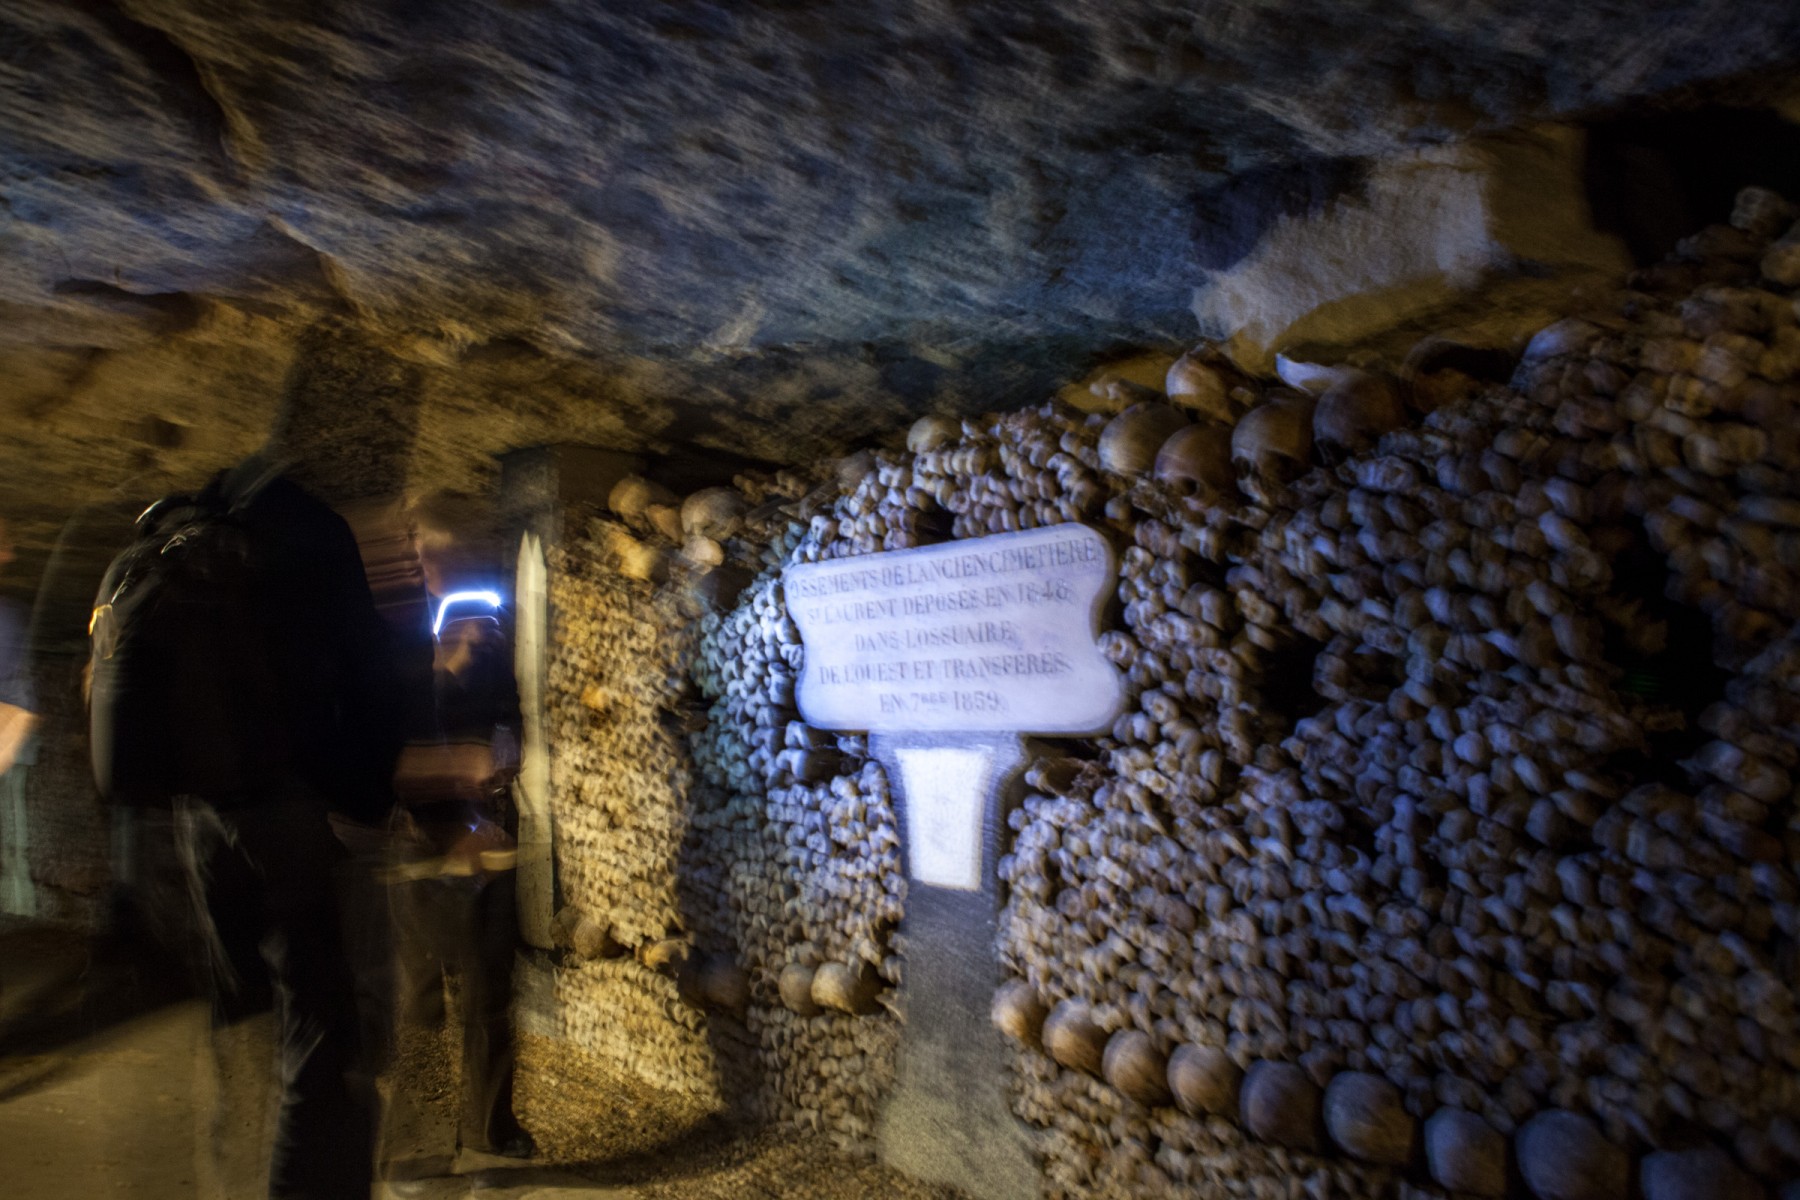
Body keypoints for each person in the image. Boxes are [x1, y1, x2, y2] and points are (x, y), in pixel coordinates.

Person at [156, 455, 405, 1200]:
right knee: (319, 1039)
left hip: (202, 825)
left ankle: (228, 1175)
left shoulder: (185, 530)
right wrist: (362, 803)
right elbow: (371, 675)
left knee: (241, 1017)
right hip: (290, 820)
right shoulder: (313, 533)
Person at [383, 494, 533, 1182]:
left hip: (473, 829)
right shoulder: (408, 628)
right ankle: (416, 1136)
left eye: (428, 551)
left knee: (484, 989)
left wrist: (502, 762)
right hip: (426, 832)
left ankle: (485, 1126)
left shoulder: (476, 617)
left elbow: (503, 712)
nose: (421, 563)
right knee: (420, 994)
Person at [0, 518, 38, 917]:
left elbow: (19, 698)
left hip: (6, 742)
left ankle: (18, 910)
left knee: (11, 837)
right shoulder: (8, 614)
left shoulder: (8, 616)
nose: (11, 554)